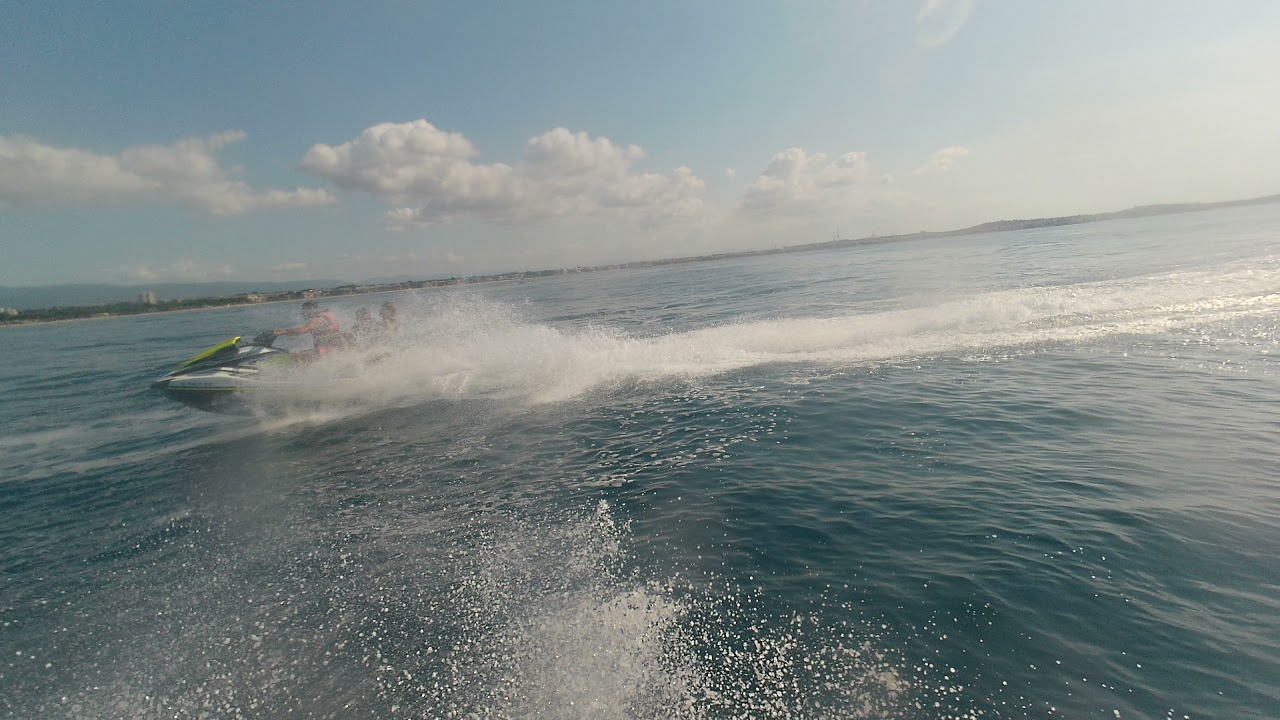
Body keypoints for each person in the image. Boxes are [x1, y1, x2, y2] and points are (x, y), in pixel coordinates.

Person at [272, 300, 343, 360]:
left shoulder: (318, 319)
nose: (303, 314)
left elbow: (302, 330)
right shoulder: (328, 315)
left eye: (304, 311)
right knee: (301, 354)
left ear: (310, 310)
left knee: (297, 357)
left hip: (326, 349)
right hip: (332, 347)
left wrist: (282, 332)